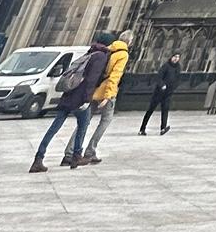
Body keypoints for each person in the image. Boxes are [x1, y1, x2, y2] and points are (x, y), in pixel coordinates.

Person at [31, 37, 109, 173]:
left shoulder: (90, 52)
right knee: (83, 126)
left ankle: (38, 158)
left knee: (54, 128)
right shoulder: (101, 57)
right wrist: (86, 99)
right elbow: (91, 80)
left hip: (68, 95)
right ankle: (76, 156)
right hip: (80, 98)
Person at [79, 29, 132, 165]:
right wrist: (108, 96)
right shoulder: (123, 54)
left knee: (84, 121)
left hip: (94, 90)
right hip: (106, 93)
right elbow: (115, 76)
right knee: (105, 120)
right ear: (129, 41)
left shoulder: (108, 49)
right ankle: (90, 151)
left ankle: (71, 152)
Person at [139, 52, 181, 135]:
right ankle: (142, 129)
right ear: (171, 57)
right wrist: (162, 85)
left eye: (178, 57)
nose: (176, 58)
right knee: (150, 110)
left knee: (165, 110)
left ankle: (163, 128)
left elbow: (177, 79)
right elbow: (159, 77)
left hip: (168, 93)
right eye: (175, 56)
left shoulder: (178, 67)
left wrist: (173, 87)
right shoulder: (166, 66)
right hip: (159, 92)